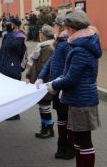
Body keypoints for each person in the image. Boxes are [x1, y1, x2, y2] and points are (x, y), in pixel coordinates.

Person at [44, 10, 102, 167]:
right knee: (79, 141)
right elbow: (68, 74)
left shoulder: (80, 49)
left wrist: (53, 85)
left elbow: (71, 78)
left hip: (81, 101)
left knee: (84, 143)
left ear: (72, 29)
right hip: (79, 99)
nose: (65, 31)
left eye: (66, 27)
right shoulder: (80, 45)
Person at [37, 14, 74, 160]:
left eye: (55, 25)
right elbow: (50, 62)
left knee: (67, 119)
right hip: (56, 87)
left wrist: (59, 82)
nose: (54, 28)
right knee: (61, 118)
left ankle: (69, 148)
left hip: (64, 87)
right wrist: (41, 76)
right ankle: (61, 145)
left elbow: (69, 67)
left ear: (61, 26)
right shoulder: (59, 42)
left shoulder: (68, 43)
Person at [25, 24, 55, 138]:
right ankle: (44, 127)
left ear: (45, 35)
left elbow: (44, 67)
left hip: (44, 82)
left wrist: (39, 80)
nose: (39, 34)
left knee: (45, 106)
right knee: (42, 105)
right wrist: (28, 75)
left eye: (40, 32)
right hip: (39, 80)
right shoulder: (42, 47)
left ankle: (49, 129)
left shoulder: (47, 48)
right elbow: (34, 64)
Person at [0, 18, 26, 120]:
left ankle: (14, 113)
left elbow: (12, 47)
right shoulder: (7, 35)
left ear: (16, 26)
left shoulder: (20, 37)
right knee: (5, 89)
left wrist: (9, 33)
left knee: (13, 91)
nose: (8, 25)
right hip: (4, 64)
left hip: (13, 66)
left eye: (10, 24)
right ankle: (8, 112)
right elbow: (2, 50)